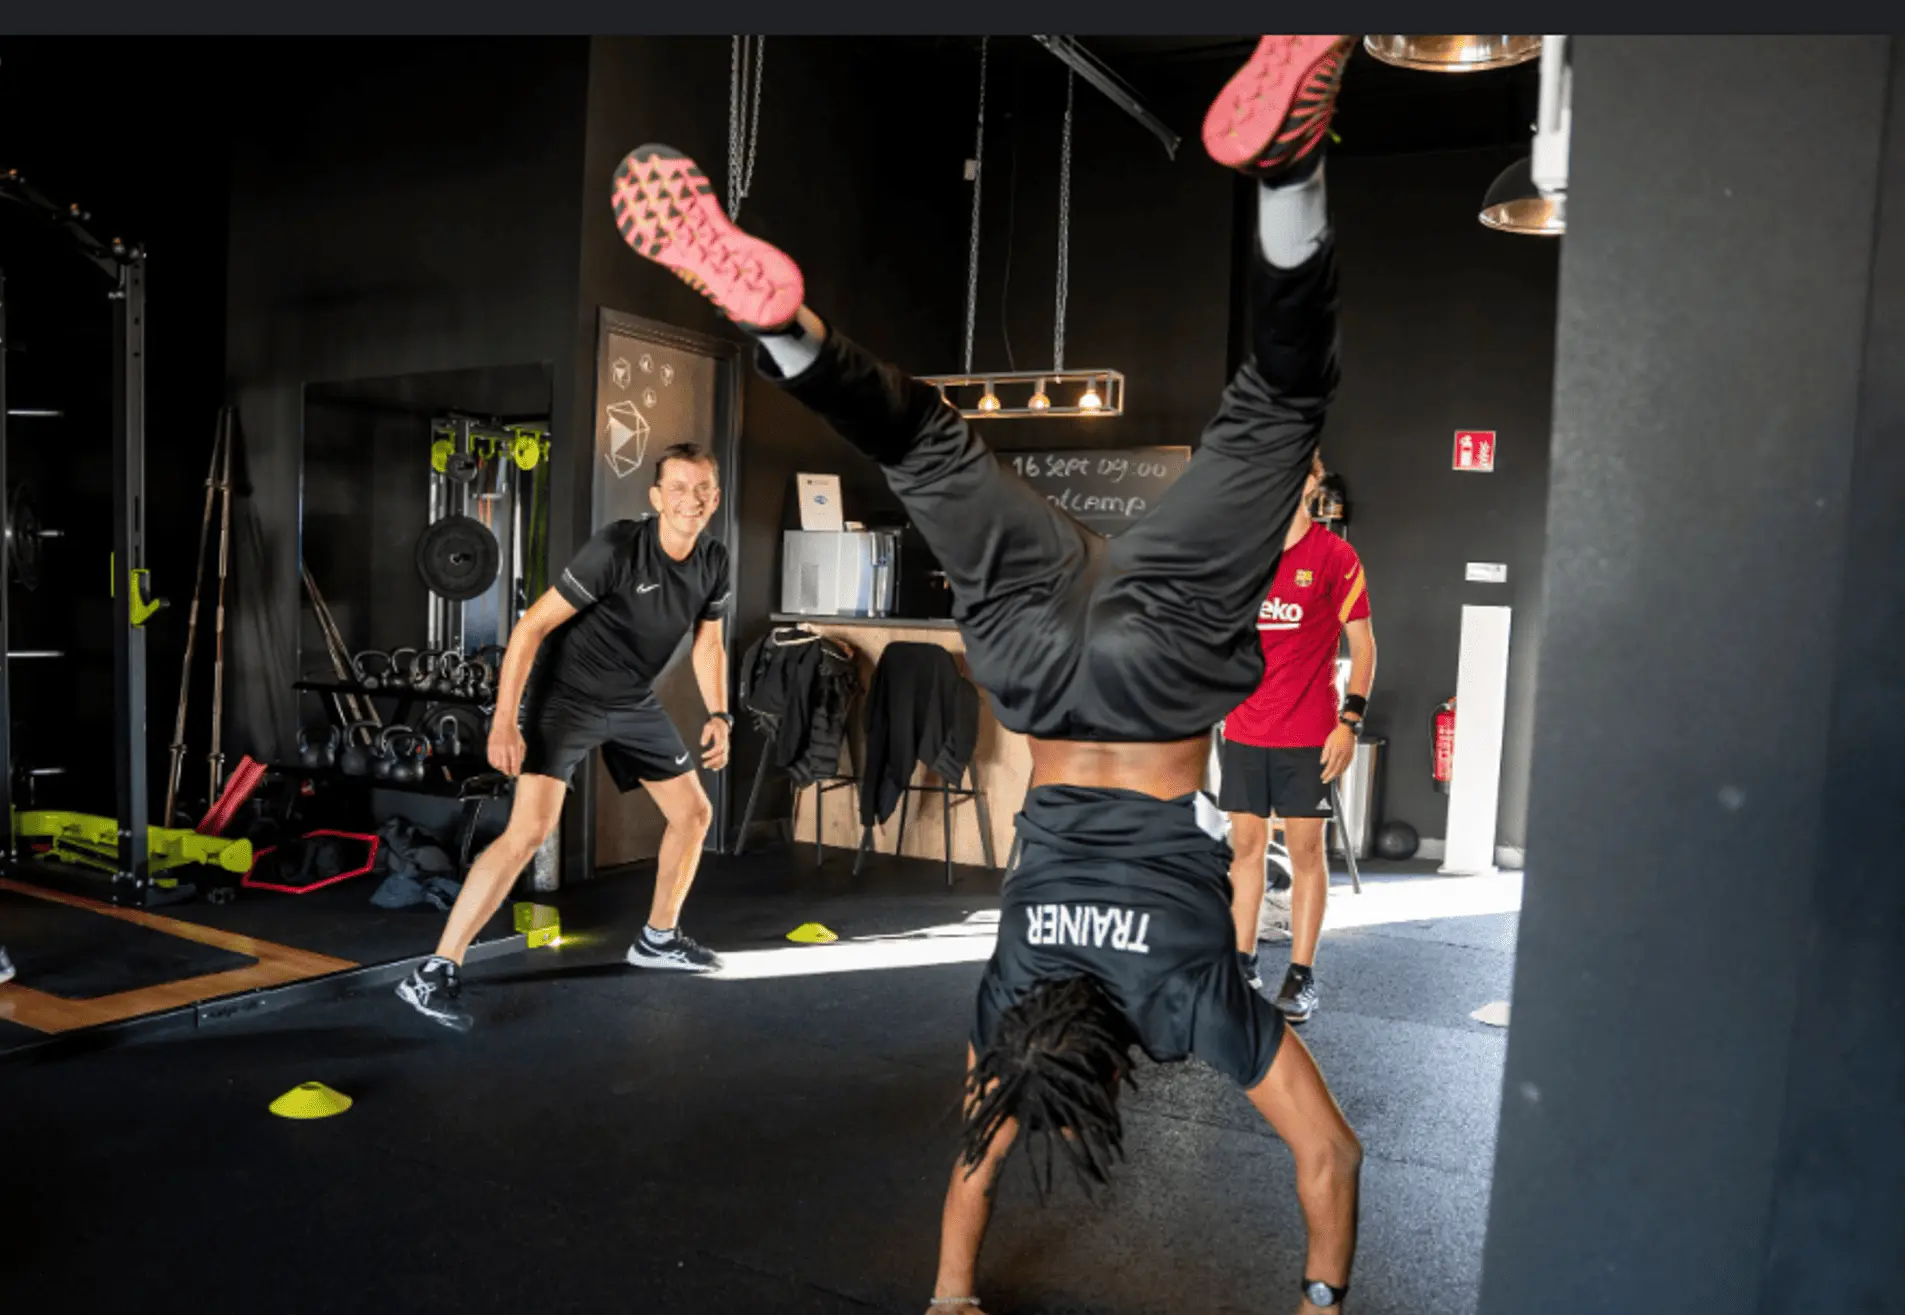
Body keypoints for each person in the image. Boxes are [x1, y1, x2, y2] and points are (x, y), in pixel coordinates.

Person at [611, 33, 1362, 1314]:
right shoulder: (1010, 984)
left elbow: (1330, 1158)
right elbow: (973, 1158)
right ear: (1031, 1054)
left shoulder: (1185, 999)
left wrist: (1320, 1304)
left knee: (1283, 408)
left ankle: (1290, 172)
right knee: (924, 445)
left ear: (1117, 1062)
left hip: (1157, 662)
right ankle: (786, 334)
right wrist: (947, 1294)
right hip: (1031, 658)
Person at [395, 442, 734, 1032]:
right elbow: (530, 628)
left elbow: (708, 642)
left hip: (631, 700)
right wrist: (504, 721)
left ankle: (658, 938)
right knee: (528, 832)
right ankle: (433, 971)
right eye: (678, 488)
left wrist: (720, 713)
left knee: (693, 813)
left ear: (716, 496)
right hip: (567, 700)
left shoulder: (713, 560)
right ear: (656, 498)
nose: (691, 500)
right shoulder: (617, 548)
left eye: (702, 488)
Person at [1220, 461, 1376, 1023]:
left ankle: (1301, 975)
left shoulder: (1336, 558)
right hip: (1242, 730)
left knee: (1307, 853)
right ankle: (1241, 962)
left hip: (1309, 734)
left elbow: (1364, 648)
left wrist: (1349, 722)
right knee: (1245, 851)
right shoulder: (1243, 556)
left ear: (1314, 482)